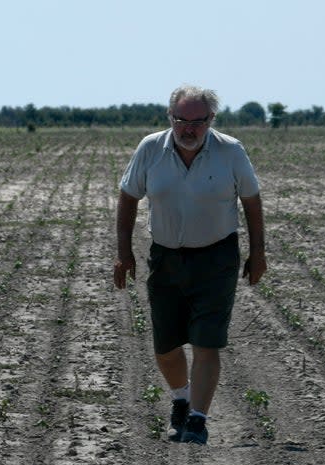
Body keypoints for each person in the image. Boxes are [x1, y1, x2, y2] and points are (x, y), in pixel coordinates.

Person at [114, 85, 267, 445]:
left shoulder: (230, 151)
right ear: (171, 118)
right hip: (165, 257)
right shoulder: (150, 148)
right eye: (182, 120)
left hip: (216, 258)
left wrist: (258, 253)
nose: (189, 129)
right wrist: (124, 252)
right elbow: (128, 197)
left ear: (211, 120)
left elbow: (252, 200)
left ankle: (197, 421)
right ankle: (180, 400)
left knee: (205, 341)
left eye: (199, 121)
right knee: (165, 347)